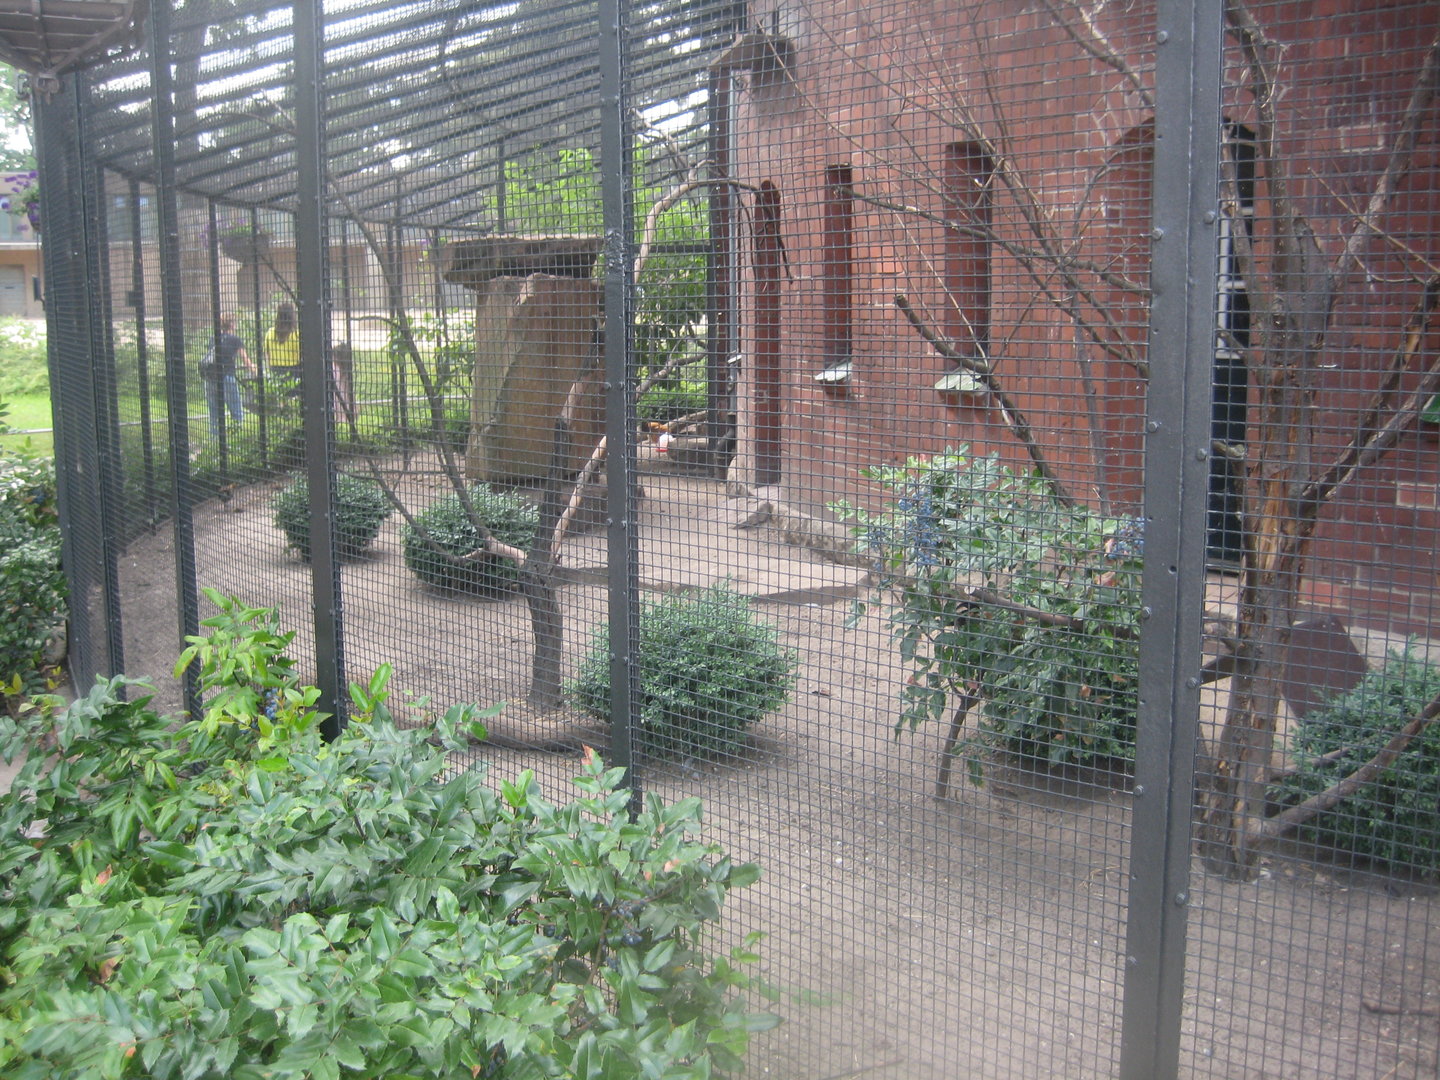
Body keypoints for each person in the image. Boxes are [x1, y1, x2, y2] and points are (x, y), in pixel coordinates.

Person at [202, 313, 255, 439]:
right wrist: (253, 369)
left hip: (210, 379)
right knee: (237, 411)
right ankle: (239, 438)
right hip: (226, 378)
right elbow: (245, 360)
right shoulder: (234, 340)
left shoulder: (213, 338)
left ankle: (214, 441)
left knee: (214, 414)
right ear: (232, 324)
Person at [263, 302, 300, 390]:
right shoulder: (297, 334)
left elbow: (266, 354)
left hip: (275, 371)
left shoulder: (270, 333)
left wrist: (270, 368)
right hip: (294, 371)